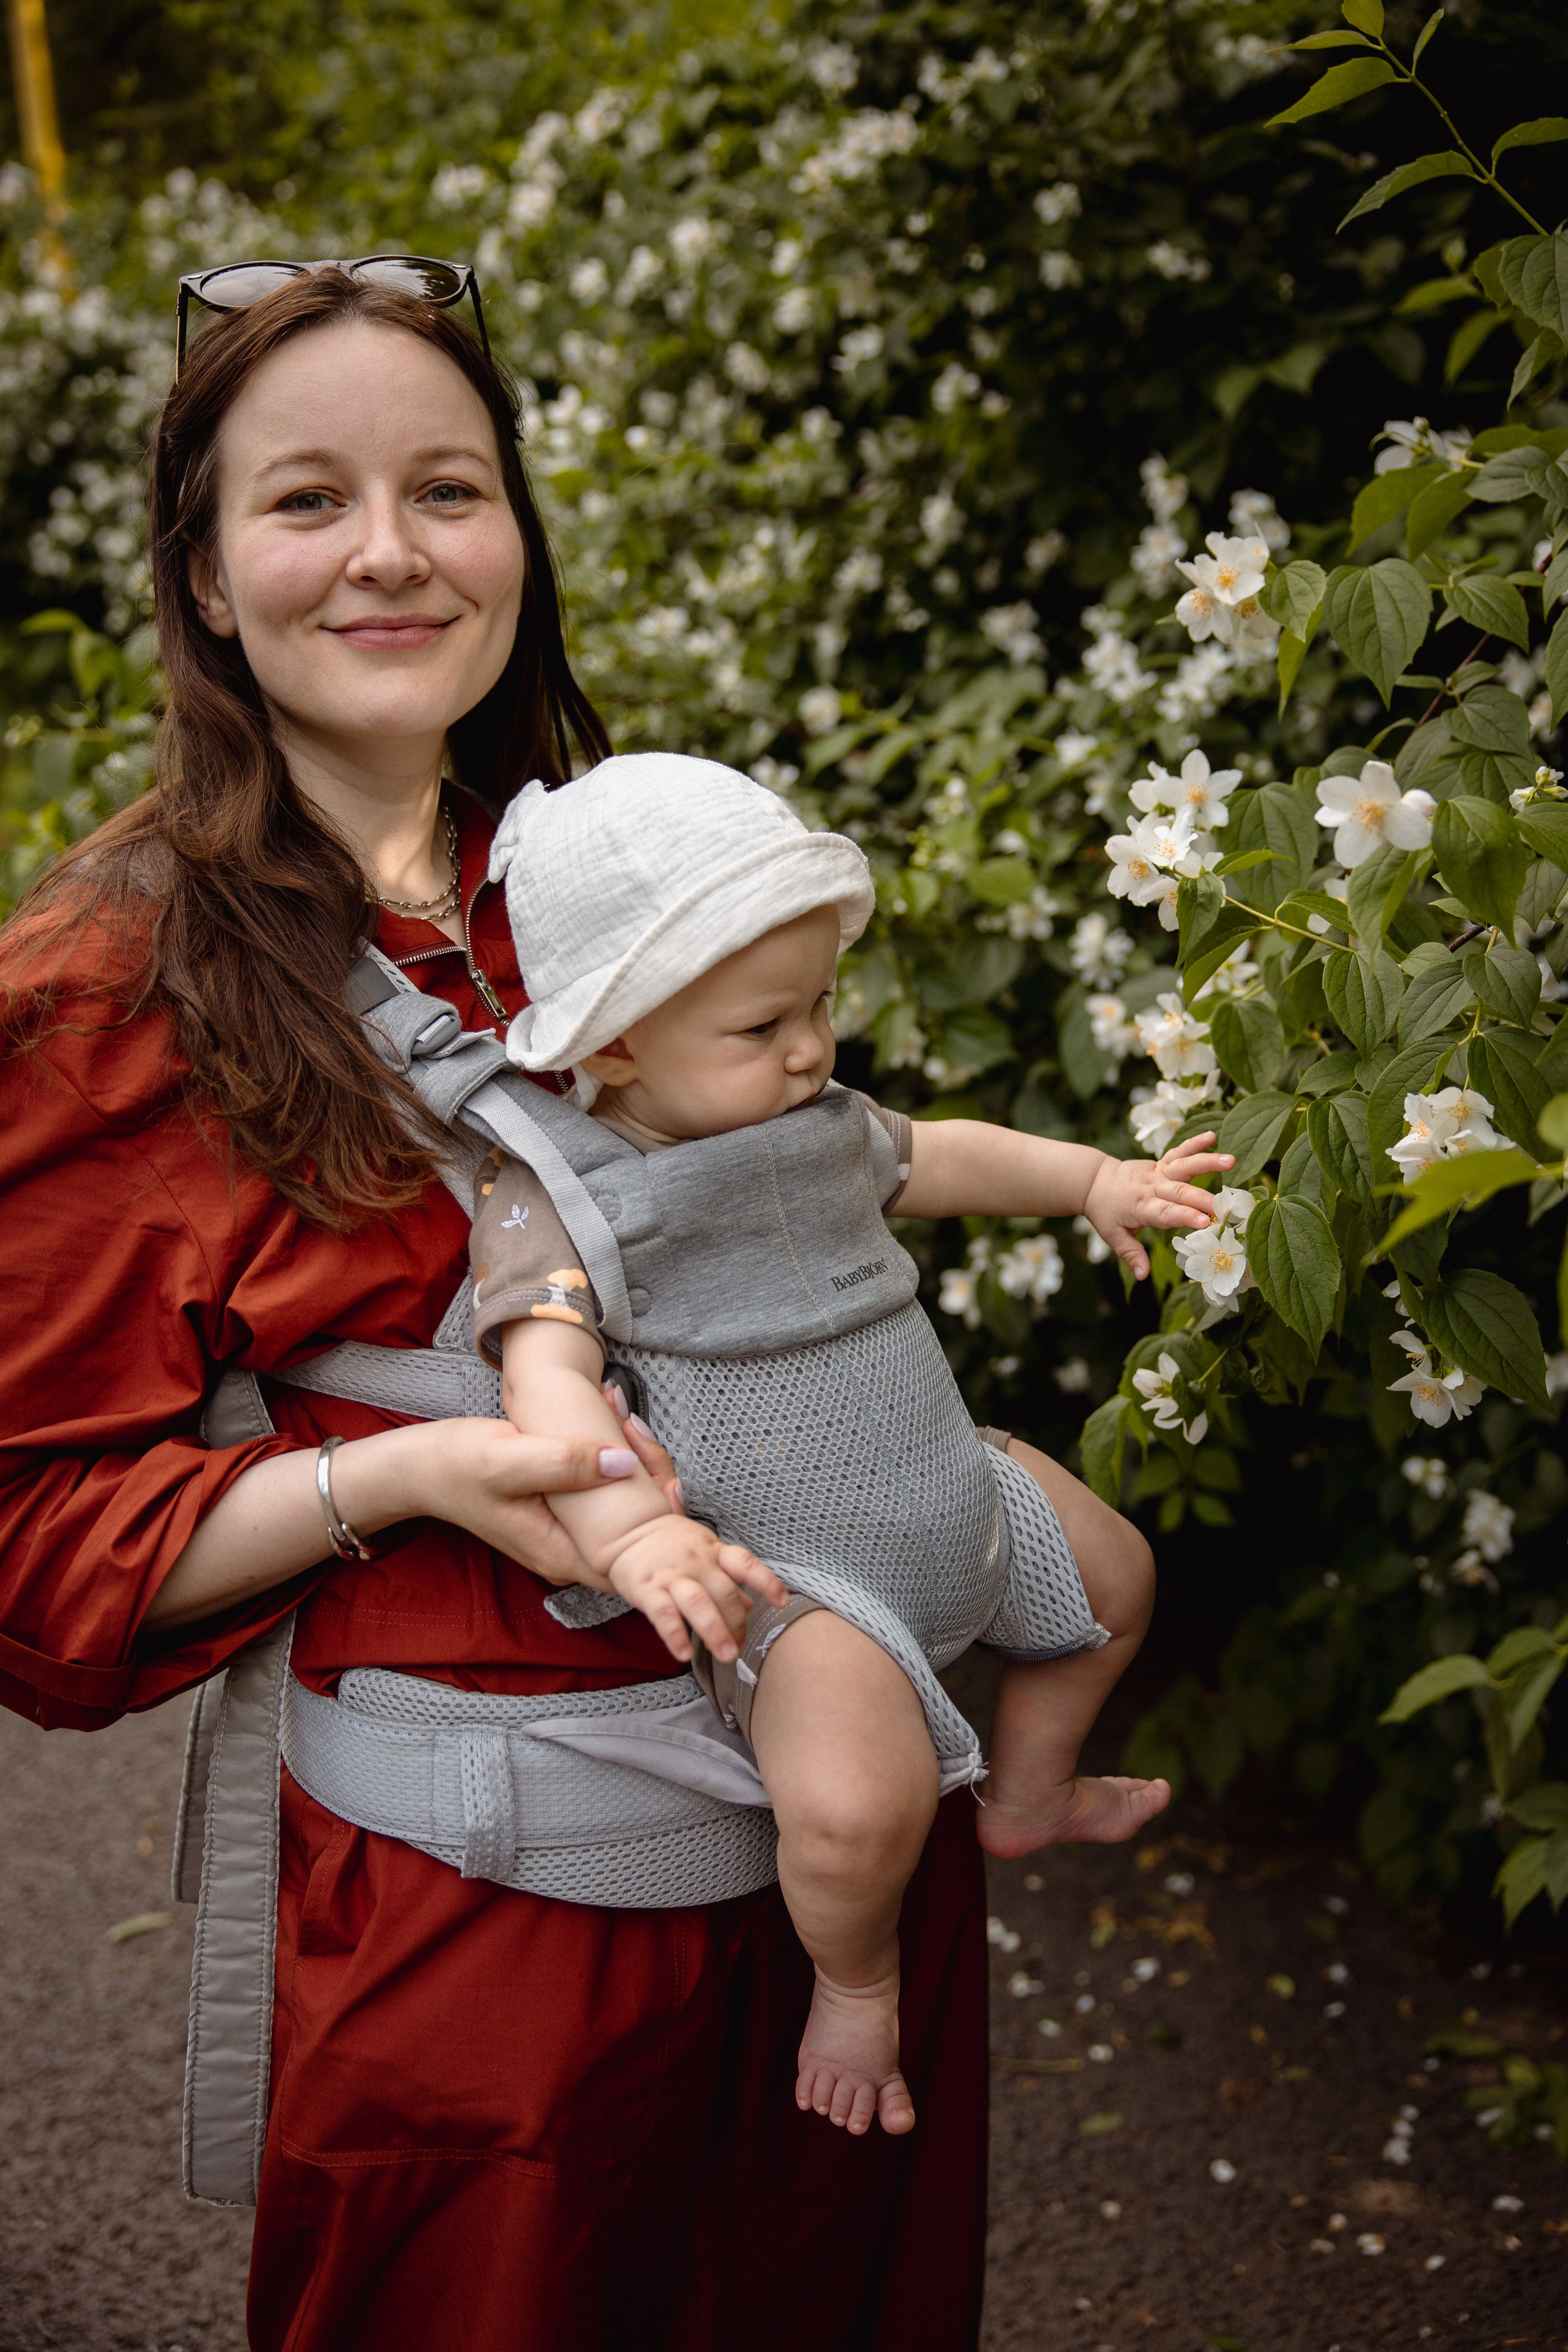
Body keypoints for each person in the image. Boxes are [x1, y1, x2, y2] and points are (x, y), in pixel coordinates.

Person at [0, 262, 1016, 2352]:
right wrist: (435, 1471)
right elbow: (35, 1545)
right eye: (306, 501)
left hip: (849, 1839)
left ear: (518, 540)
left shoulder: (632, 870)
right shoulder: (104, 991)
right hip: (501, 1923)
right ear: (197, 572)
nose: (390, 550)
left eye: (447, 488)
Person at [469, 755, 1227, 2139]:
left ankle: (1029, 1788)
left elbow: (936, 1153)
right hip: (795, 1575)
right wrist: (639, 1534)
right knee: (853, 1808)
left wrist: (1092, 1181)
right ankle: (855, 1982)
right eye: (764, 1023)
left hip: (948, 1485)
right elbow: (546, 1376)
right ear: (614, 1040)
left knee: (1116, 1580)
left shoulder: (813, 1121)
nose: (812, 1047)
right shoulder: (563, 1193)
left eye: (820, 1003)